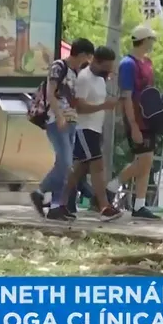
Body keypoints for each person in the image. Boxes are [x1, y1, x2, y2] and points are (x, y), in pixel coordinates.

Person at [29, 38, 95, 221]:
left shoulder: (77, 72)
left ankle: (56, 206)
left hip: (72, 121)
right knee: (65, 162)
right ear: (82, 54)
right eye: (88, 57)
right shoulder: (59, 66)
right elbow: (51, 93)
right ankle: (39, 192)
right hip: (56, 120)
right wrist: (58, 116)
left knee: (64, 166)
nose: (88, 61)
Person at [57, 46, 123, 222]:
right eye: (106, 66)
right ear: (96, 61)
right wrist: (104, 106)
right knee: (97, 166)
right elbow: (80, 106)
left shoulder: (100, 79)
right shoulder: (84, 78)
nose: (108, 70)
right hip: (84, 128)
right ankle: (104, 207)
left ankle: (59, 202)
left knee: (78, 170)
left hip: (95, 129)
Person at [106, 25, 162, 220]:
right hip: (136, 117)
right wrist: (133, 124)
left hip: (149, 117)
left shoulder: (148, 62)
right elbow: (126, 96)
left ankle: (139, 204)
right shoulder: (128, 64)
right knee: (144, 159)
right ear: (144, 40)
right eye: (151, 39)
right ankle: (113, 186)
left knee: (146, 161)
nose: (153, 43)